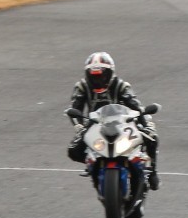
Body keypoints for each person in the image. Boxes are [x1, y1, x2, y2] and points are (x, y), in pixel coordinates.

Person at [66, 52, 160, 189]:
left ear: (110, 73)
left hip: (123, 121)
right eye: (94, 76)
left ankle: (153, 172)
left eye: (101, 76)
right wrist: (79, 127)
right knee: (73, 150)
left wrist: (146, 125)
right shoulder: (82, 86)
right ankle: (92, 164)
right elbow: (74, 109)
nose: (98, 80)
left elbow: (136, 105)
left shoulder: (121, 85)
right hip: (94, 123)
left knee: (152, 137)